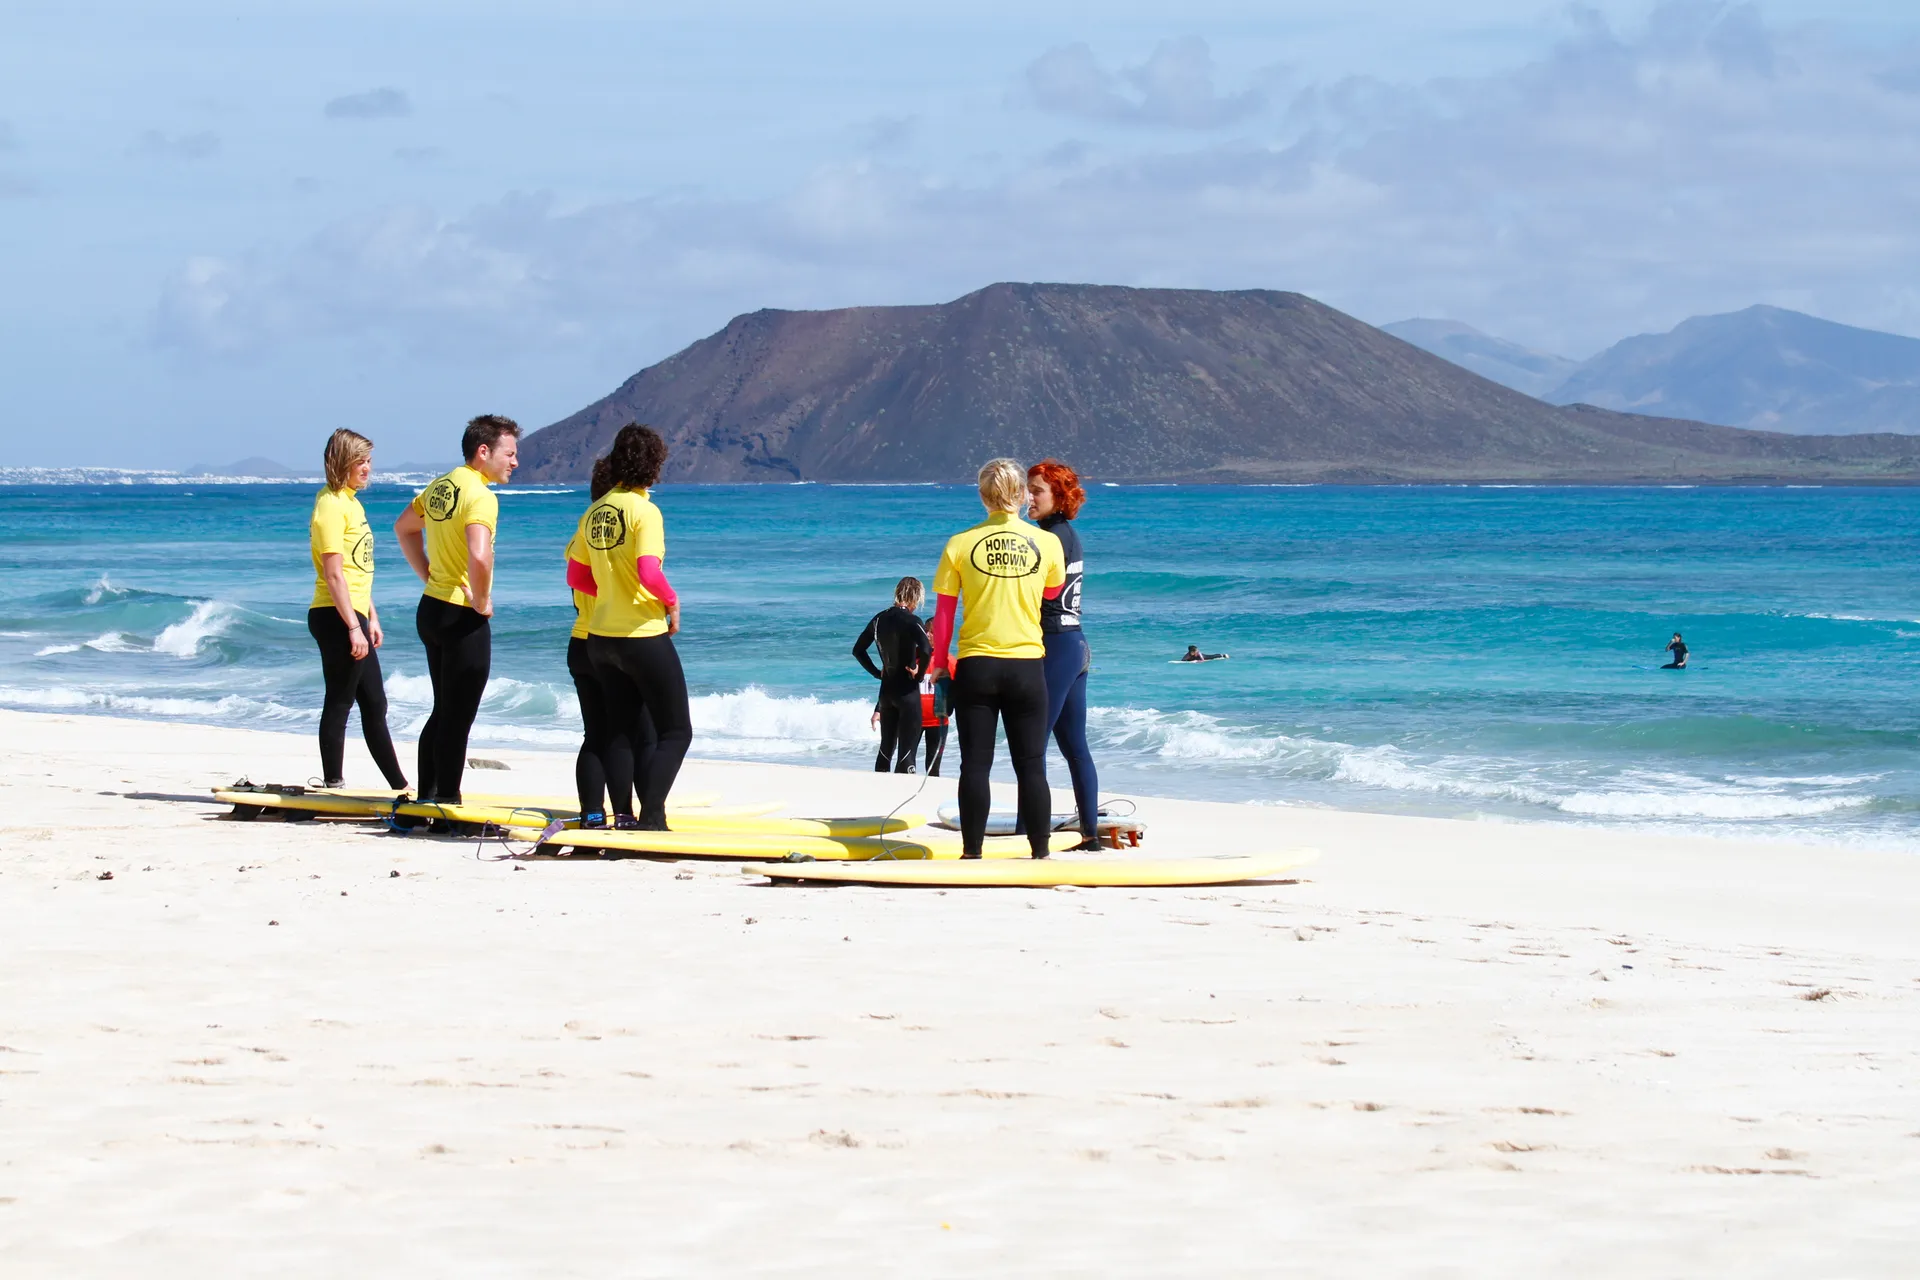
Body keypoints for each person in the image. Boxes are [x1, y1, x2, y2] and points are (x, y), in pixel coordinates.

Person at [928, 458, 1067, 859]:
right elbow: (1053, 592)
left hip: (977, 667)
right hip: (1027, 666)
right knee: (1031, 764)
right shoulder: (1048, 543)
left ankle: (972, 853)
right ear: (1022, 495)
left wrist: (940, 663)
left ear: (982, 496)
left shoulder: (959, 543)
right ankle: (1040, 853)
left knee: (975, 764)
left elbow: (944, 613)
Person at [568, 423, 693, 830]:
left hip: (599, 638)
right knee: (676, 732)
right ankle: (651, 815)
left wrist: (610, 592)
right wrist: (671, 601)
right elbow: (648, 572)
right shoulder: (644, 511)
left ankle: (623, 817)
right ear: (654, 465)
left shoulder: (595, 511)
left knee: (618, 731)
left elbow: (576, 574)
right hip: (640, 634)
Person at [394, 414, 519, 806]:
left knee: (443, 711)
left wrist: (429, 574)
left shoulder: (440, 486)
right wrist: (480, 601)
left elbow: (403, 528)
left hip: (431, 608)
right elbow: (479, 556)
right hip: (461, 615)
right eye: (509, 454)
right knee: (457, 716)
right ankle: (447, 801)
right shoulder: (480, 495)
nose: (515, 462)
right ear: (483, 452)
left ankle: (428, 798)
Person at [306, 428, 408, 791]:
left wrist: (371, 617)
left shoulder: (351, 502)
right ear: (342, 463)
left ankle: (400, 786)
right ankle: (334, 781)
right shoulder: (330, 506)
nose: (367, 468)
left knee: (375, 703)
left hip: (353, 613)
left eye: (369, 461)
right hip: (334, 615)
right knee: (341, 700)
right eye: (360, 461)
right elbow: (334, 574)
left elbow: (357, 570)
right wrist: (352, 626)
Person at [563, 457, 657, 827]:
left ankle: (592, 813)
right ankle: (644, 813)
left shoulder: (581, 534)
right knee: (642, 734)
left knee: (596, 735)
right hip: (614, 641)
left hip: (580, 641)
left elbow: (578, 579)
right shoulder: (626, 531)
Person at [1026, 459, 1101, 850]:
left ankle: (1027, 829)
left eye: (1037, 491)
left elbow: (1039, 594)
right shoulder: (1065, 534)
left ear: (1058, 495)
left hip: (1055, 645)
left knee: (1031, 744)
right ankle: (1090, 835)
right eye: (1027, 489)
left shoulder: (1051, 538)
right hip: (1076, 645)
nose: (1028, 497)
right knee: (1074, 746)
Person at [854, 577, 934, 773]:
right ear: (915, 597)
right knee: (907, 753)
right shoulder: (912, 620)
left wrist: (877, 673)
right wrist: (920, 674)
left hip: (886, 692)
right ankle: (903, 788)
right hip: (907, 692)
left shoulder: (878, 619)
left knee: (885, 748)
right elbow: (926, 649)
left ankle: (880, 788)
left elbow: (858, 650)